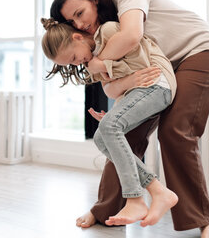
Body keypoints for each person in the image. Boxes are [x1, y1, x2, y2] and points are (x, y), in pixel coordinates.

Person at [50, 0, 209, 237]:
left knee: (175, 131)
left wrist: (99, 63)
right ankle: (107, 210)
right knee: (121, 134)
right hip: (156, 70)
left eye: (80, 14)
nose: (80, 24)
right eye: (72, 22)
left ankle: (203, 221)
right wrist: (121, 110)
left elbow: (132, 35)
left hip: (195, 52)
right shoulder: (102, 35)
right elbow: (117, 81)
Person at [41, 17, 178, 226]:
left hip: (157, 83)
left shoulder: (108, 32)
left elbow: (139, 64)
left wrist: (103, 65)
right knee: (101, 137)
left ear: (78, 37)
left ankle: (135, 199)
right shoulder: (91, 62)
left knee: (109, 126)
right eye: (71, 63)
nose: (77, 63)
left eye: (74, 57)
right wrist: (117, 112)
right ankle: (157, 189)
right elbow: (112, 89)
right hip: (139, 93)